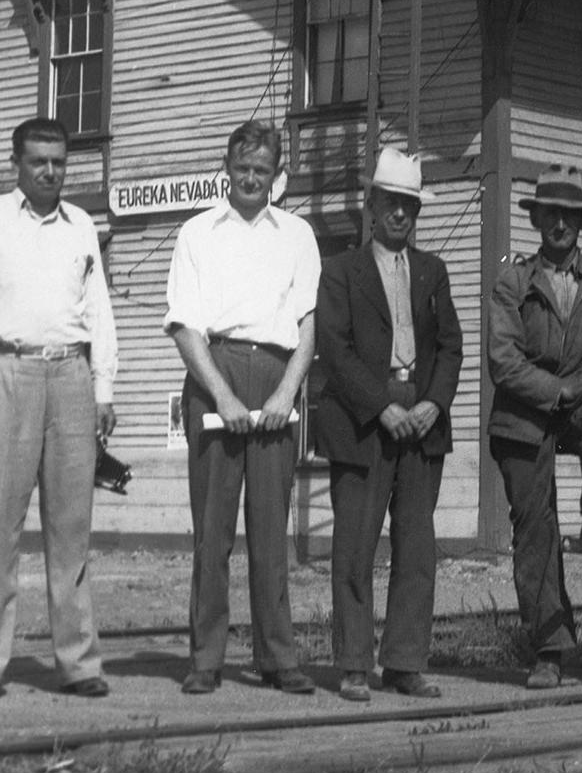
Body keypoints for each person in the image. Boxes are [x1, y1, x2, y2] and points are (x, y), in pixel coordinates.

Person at [164, 120, 321, 696]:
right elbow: (184, 326)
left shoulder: (298, 235)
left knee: (269, 528)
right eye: (241, 169)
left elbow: (307, 325)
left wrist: (287, 393)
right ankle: (206, 658)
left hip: (277, 375)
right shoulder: (197, 233)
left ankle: (278, 657)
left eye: (262, 170)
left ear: (277, 175)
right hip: (214, 373)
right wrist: (223, 396)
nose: (251, 179)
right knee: (212, 531)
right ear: (225, 170)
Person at [314, 147, 462, 702]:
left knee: (416, 547)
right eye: (391, 203)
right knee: (354, 547)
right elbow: (334, 347)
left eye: (410, 206)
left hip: (422, 424)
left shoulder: (432, 271)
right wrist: (382, 406)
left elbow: (450, 346)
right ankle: (354, 663)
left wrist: (433, 404)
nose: (400, 214)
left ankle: (404, 663)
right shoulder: (341, 271)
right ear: (371, 204)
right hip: (362, 422)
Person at [488, 164, 582, 689]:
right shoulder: (511, 280)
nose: (560, 224)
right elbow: (503, 364)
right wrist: (562, 390)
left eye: (570, 215)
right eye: (551, 213)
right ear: (537, 219)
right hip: (522, 416)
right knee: (535, 533)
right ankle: (548, 651)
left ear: (581, 220)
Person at [0, 117, 117, 698]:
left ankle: (77, 664)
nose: (50, 171)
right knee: (1, 526)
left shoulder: (81, 228)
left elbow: (100, 311)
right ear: (16, 162)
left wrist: (103, 389)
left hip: (71, 373)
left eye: (59, 161)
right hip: (10, 372)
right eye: (39, 160)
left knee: (71, 528)